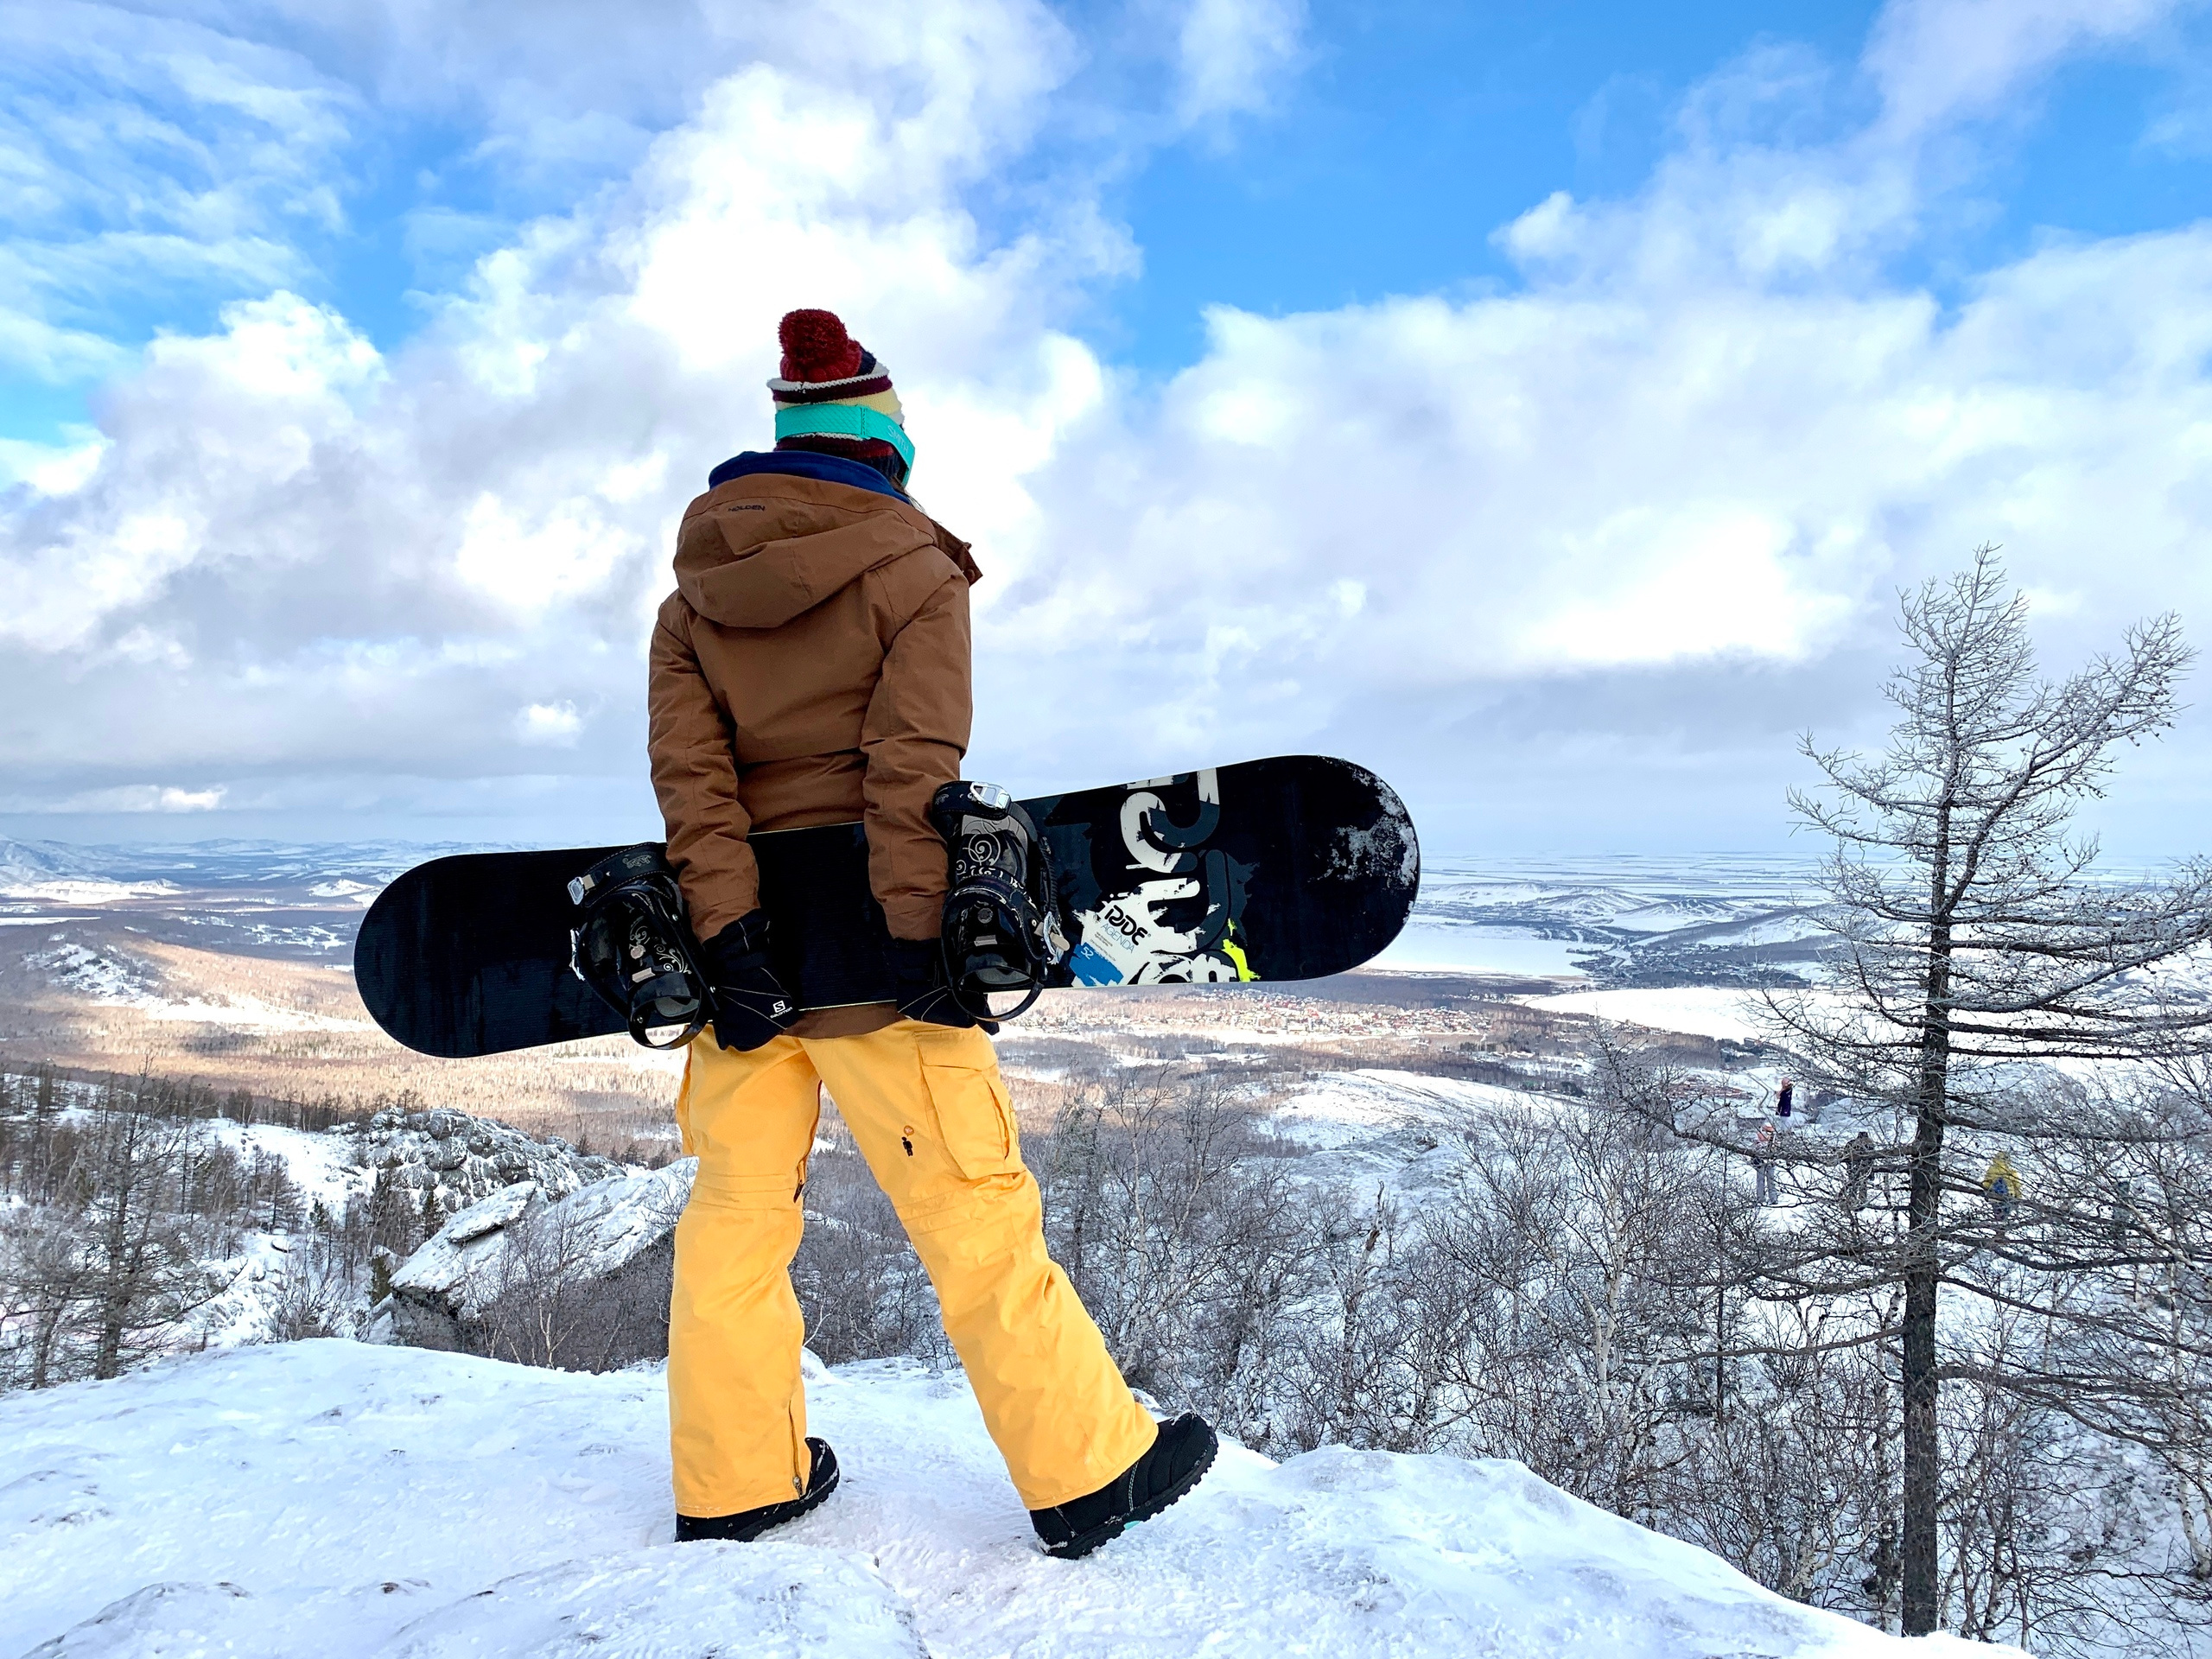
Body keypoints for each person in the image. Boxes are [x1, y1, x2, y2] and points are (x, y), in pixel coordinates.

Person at [647, 308, 1216, 1558]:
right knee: (973, 1214)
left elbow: (695, 790)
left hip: (735, 972)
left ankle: (737, 1483)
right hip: (881, 951)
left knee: (737, 1220)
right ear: (881, 445)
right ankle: (1089, 1473)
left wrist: (732, 942)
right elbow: (912, 768)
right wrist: (922, 954)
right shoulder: (915, 567)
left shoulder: (692, 597)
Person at [1981, 1152, 2024, 1224]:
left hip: (1994, 1196)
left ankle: (1999, 1221)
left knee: (1998, 1212)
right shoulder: (2011, 1171)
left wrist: (1986, 1192)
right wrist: (2019, 1198)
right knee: (2005, 1211)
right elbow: (2017, 1186)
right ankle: (2003, 1223)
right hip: (2008, 1196)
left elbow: (1986, 1183)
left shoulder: (1992, 1169)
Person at [1841, 1130, 1874, 1215]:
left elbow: (1845, 1157)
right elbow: (1872, 1159)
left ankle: (1855, 1202)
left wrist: (1849, 1169)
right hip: (1861, 1170)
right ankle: (1857, 1203)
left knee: (1856, 1186)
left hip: (1856, 1170)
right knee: (1860, 1185)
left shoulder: (1851, 1143)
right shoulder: (1870, 1144)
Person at [1752, 1118, 1779, 1206]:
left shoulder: (1774, 1137)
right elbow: (1757, 1147)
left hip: (1771, 1161)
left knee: (1771, 1180)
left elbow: (1776, 1148)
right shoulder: (1757, 1136)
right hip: (1760, 1161)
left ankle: (1773, 1198)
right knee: (1761, 1180)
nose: (1768, 1133)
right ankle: (1760, 1198)